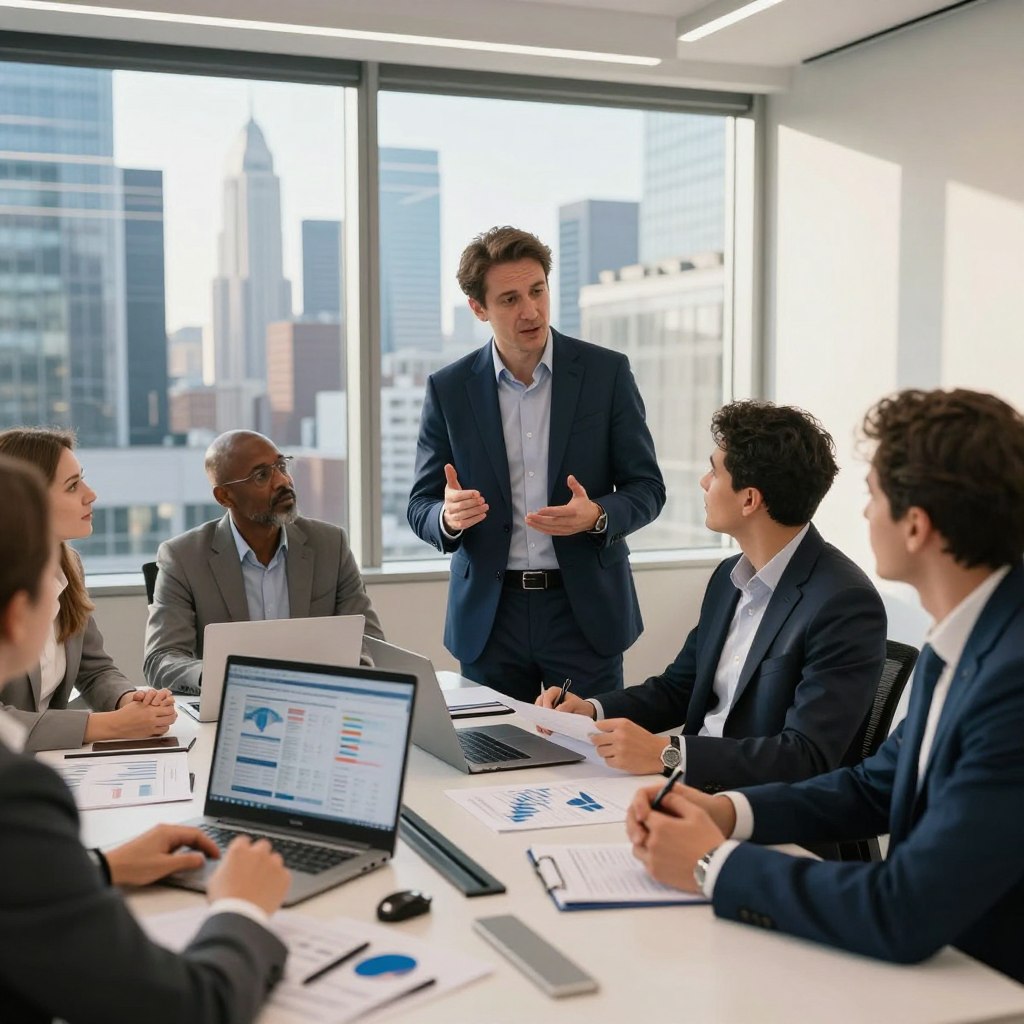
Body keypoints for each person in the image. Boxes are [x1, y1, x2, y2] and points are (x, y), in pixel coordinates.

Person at [626, 388, 1024, 983]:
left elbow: (905, 906)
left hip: (980, 984)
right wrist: (726, 812)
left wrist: (712, 865)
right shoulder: (962, 642)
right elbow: (873, 787)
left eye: (874, 497)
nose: (864, 514)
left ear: (916, 526)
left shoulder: (1011, 678)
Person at [0, 452, 290, 1023]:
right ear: (16, 614)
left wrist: (101, 868)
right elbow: (186, 1009)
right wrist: (242, 907)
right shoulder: (16, 798)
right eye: (44, 581)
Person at [539, 401, 886, 792]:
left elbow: (805, 756)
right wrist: (589, 710)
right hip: (687, 789)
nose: (704, 482)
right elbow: (679, 688)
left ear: (749, 499)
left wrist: (668, 753)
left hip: (752, 810)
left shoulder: (843, 602)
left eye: (715, 471)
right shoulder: (728, 576)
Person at [407, 226, 665, 702]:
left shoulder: (606, 374)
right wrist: (446, 517)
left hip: (583, 609)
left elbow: (647, 488)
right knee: (489, 757)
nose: (530, 311)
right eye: (508, 299)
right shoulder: (449, 389)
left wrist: (599, 515)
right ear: (479, 309)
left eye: (537, 291)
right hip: (490, 615)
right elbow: (420, 503)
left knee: (593, 759)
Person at [144, 430, 384, 694]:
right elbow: (161, 659)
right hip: (230, 704)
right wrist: (218, 676)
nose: (282, 480)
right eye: (262, 475)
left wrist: (354, 682)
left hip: (316, 700)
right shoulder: (183, 557)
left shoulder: (330, 544)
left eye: (281, 466)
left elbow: (369, 640)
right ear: (224, 497)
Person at [0, 428, 176, 752]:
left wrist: (129, 701)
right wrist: (112, 725)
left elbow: (94, 670)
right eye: (72, 486)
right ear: (26, 498)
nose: (90, 494)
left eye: (82, 479)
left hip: (50, 762)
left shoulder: (69, 566)